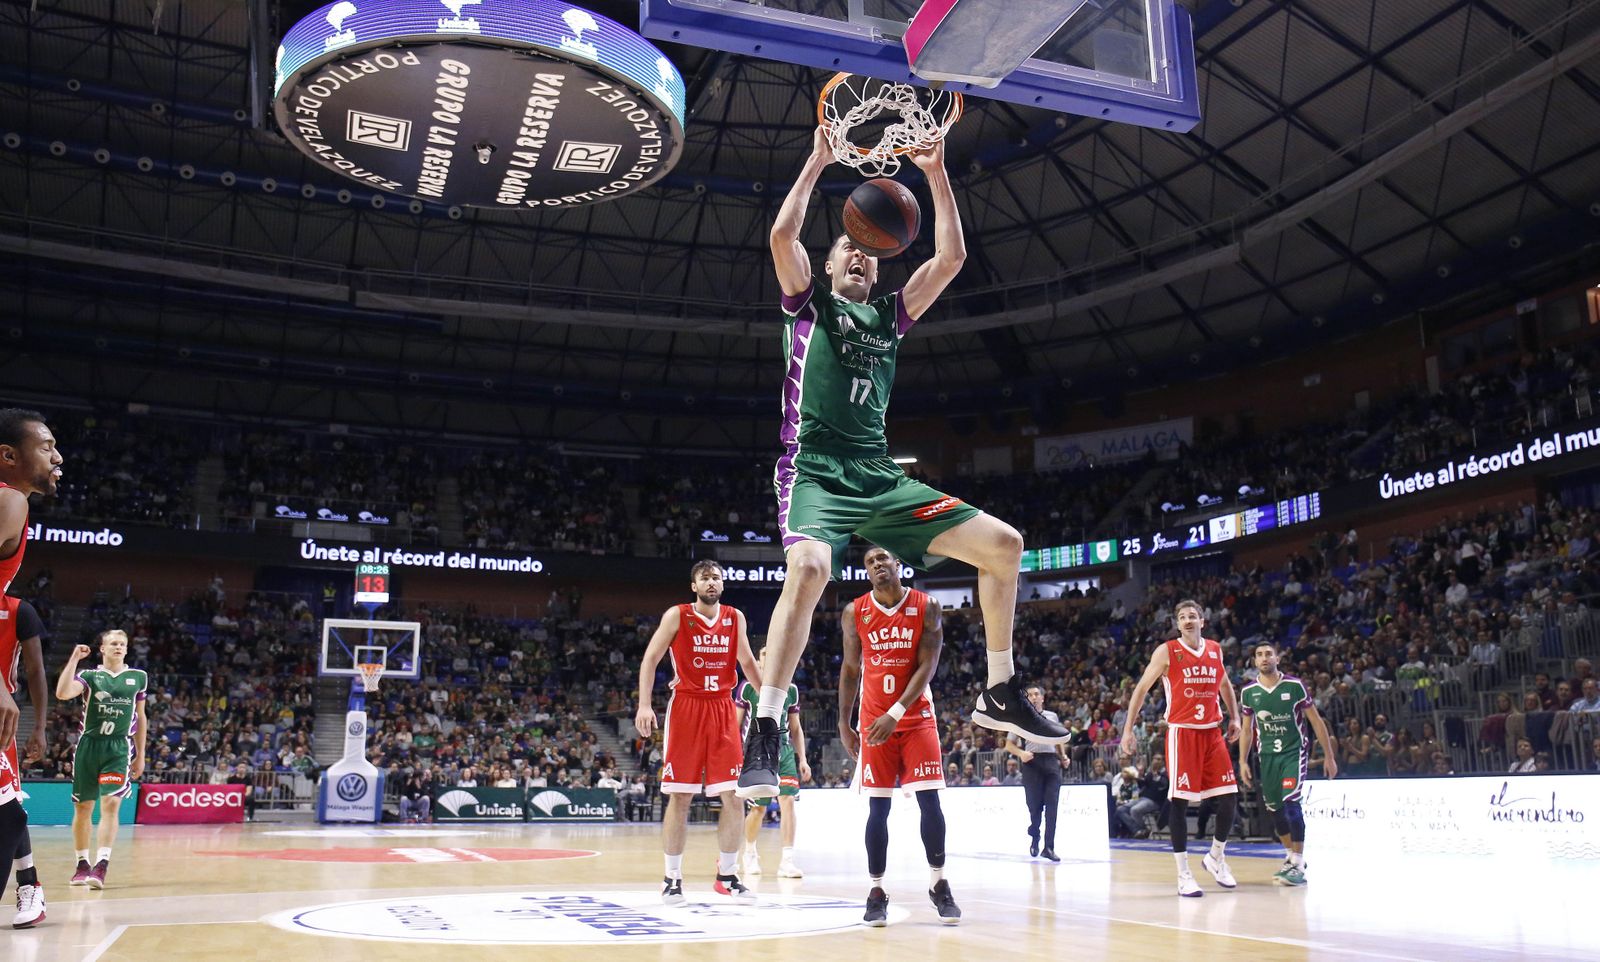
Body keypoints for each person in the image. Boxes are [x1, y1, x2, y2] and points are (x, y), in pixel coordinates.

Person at [740, 126, 1068, 799]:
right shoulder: (809, 305)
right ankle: (767, 726)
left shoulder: (890, 318)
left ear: (881, 263)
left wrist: (935, 169)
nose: (857, 256)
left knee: (1006, 546)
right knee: (809, 567)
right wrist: (818, 159)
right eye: (846, 249)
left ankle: (1000, 688)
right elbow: (781, 237)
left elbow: (950, 257)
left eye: (867, 253)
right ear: (828, 266)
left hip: (877, 474)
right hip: (815, 469)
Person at [838, 546, 960, 926]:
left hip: (916, 717)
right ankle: (876, 891)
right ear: (867, 572)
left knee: (929, 802)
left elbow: (929, 664)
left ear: (897, 565)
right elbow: (850, 668)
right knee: (878, 809)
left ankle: (939, 884)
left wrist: (896, 712)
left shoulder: (927, 606)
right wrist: (844, 721)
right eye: (870, 562)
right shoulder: (854, 611)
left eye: (883, 559)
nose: (877, 565)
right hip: (874, 721)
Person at [635, 560, 762, 905]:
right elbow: (650, 658)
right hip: (687, 707)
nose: (711, 582)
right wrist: (644, 705)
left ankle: (727, 876)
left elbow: (748, 663)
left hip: (722, 708)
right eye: (704, 578)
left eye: (716, 577)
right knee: (680, 796)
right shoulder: (677, 615)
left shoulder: (735, 618)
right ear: (694, 586)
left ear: (723, 584)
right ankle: (672, 878)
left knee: (734, 797)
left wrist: (767, 702)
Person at [1120, 599, 1241, 897]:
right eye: (1182, 617)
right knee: (1180, 802)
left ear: (1203, 620)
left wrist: (1235, 716)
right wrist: (1127, 730)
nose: (1188, 620)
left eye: (1192, 616)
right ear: (1177, 624)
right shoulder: (1167, 651)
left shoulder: (1215, 649)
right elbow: (1140, 689)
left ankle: (1215, 857)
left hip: (1212, 733)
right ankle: (1183, 874)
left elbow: (1224, 683)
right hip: (1182, 733)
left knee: (1229, 798)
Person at [0, 409, 61, 919]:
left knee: (5, 809)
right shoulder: (9, 499)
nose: (57, 456)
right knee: (5, 810)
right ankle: (30, 890)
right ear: (9, 456)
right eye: (45, 446)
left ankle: (30, 890)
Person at [1237, 641, 1338, 887]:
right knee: (1276, 810)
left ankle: (1299, 861)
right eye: (1259, 655)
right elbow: (1247, 730)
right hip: (1267, 756)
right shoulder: (1249, 692)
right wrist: (1242, 761)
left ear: (1277, 658)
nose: (1264, 658)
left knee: (1291, 803)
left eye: (1269, 654)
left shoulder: (1295, 686)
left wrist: (1329, 756)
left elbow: (1316, 721)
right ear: (1254, 662)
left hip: (1294, 753)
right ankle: (1291, 857)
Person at [56, 629, 148, 889]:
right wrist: (74, 658)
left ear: (127, 649)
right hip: (89, 746)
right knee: (83, 808)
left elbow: (141, 717)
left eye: (122, 644)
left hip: (118, 748)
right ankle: (82, 864)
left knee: (110, 804)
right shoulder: (90, 676)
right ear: (103, 649)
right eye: (113, 644)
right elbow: (63, 693)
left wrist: (140, 755)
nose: (119, 647)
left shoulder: (138, 677)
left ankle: (102, 865)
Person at [736, 645, 810, 879]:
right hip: (757, 750)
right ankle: (749, 853)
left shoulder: (791, 690)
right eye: (765, 655)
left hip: (784, 750)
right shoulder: (747, 688)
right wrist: (736, 756)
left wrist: (803, 758)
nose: (770, 659)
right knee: (759, 808)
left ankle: (787, 860)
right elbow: (734, 725)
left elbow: (796, 727)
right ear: (757, 663)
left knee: (788, 801)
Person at [1003, 686, 1067, 861]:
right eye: (1029, 695)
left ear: (1042, 698)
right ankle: (1035, 835)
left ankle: (1049, 847)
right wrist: (1021, 753)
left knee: (1052, 806)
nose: (1033, 697)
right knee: (1034, 806)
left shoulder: (1052, 716)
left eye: (1036, 694)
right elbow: (1009, 745)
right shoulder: (1020, 718)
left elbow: (1058, 738)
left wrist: (1063, 756)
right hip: (1032, 762)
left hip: (1051, 761)